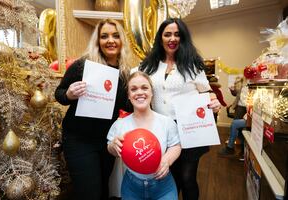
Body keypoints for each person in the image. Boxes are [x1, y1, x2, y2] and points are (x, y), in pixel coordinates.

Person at [138, 18, 221, 200]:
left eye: (177, 34)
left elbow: (207, 92)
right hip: (161, 129)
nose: (172, 38)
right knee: (169, 176)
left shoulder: (193, 65)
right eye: (167, 34)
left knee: (187, 177)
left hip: (190, 129)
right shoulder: (149, 65)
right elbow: (135, 82)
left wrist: (214, 102)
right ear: (160, 38)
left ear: (183, 38)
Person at [55, 19, 135, 200]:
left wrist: (142, 95)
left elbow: (128, 107)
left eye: (116, 36)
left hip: (107, 142)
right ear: (97, 41)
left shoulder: (125, 74)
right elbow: (59, 94)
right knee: (89, 193)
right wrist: (68, 94)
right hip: (78, 139)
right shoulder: (83, 65)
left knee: (103, 189)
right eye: (104, 36)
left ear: (122, 40)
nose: (110, 40)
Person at [107, 71, 181, 200]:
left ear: (152, 93)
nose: (140, 92)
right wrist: (113, 146)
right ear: (129, 96)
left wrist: (167, 160)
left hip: (164, 187)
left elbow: (176, 145)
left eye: (145, 88)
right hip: (131, 187)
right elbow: (110, 148)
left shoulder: (166, 122)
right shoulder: (120, 125)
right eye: (134, 89)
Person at [218, 83, 249, 160]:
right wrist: (232, 91)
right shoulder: (244, 84)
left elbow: (247, 102)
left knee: (242, 130)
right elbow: (237, 94)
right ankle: (238, 150)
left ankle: (241, 151)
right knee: (237, 130)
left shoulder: (253, 87)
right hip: (240, 108)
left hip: (246, 109)